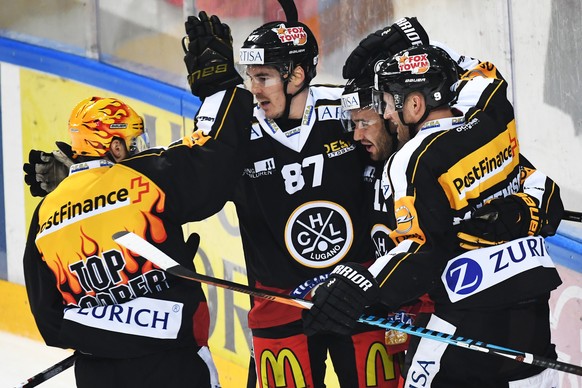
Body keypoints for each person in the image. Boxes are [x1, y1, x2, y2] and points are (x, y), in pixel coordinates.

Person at [304, 44, 564, 386]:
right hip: (532, 318)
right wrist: (524, 214)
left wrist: (357, 285)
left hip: (463, 324)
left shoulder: (411, 159)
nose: (386, 117)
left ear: (414, 104)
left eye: (382, 108)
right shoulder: (491, 124)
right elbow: (544, 189)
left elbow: (420, 250)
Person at [23, 92, 252, 385]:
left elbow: (49, 319)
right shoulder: (145, 175)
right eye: (132, 142)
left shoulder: (45, 213)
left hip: (97, 374)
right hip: (174, 364)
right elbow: (216, 160)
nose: (137, 149)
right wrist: (225, 89)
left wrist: (109, 339)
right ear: (115, 146)